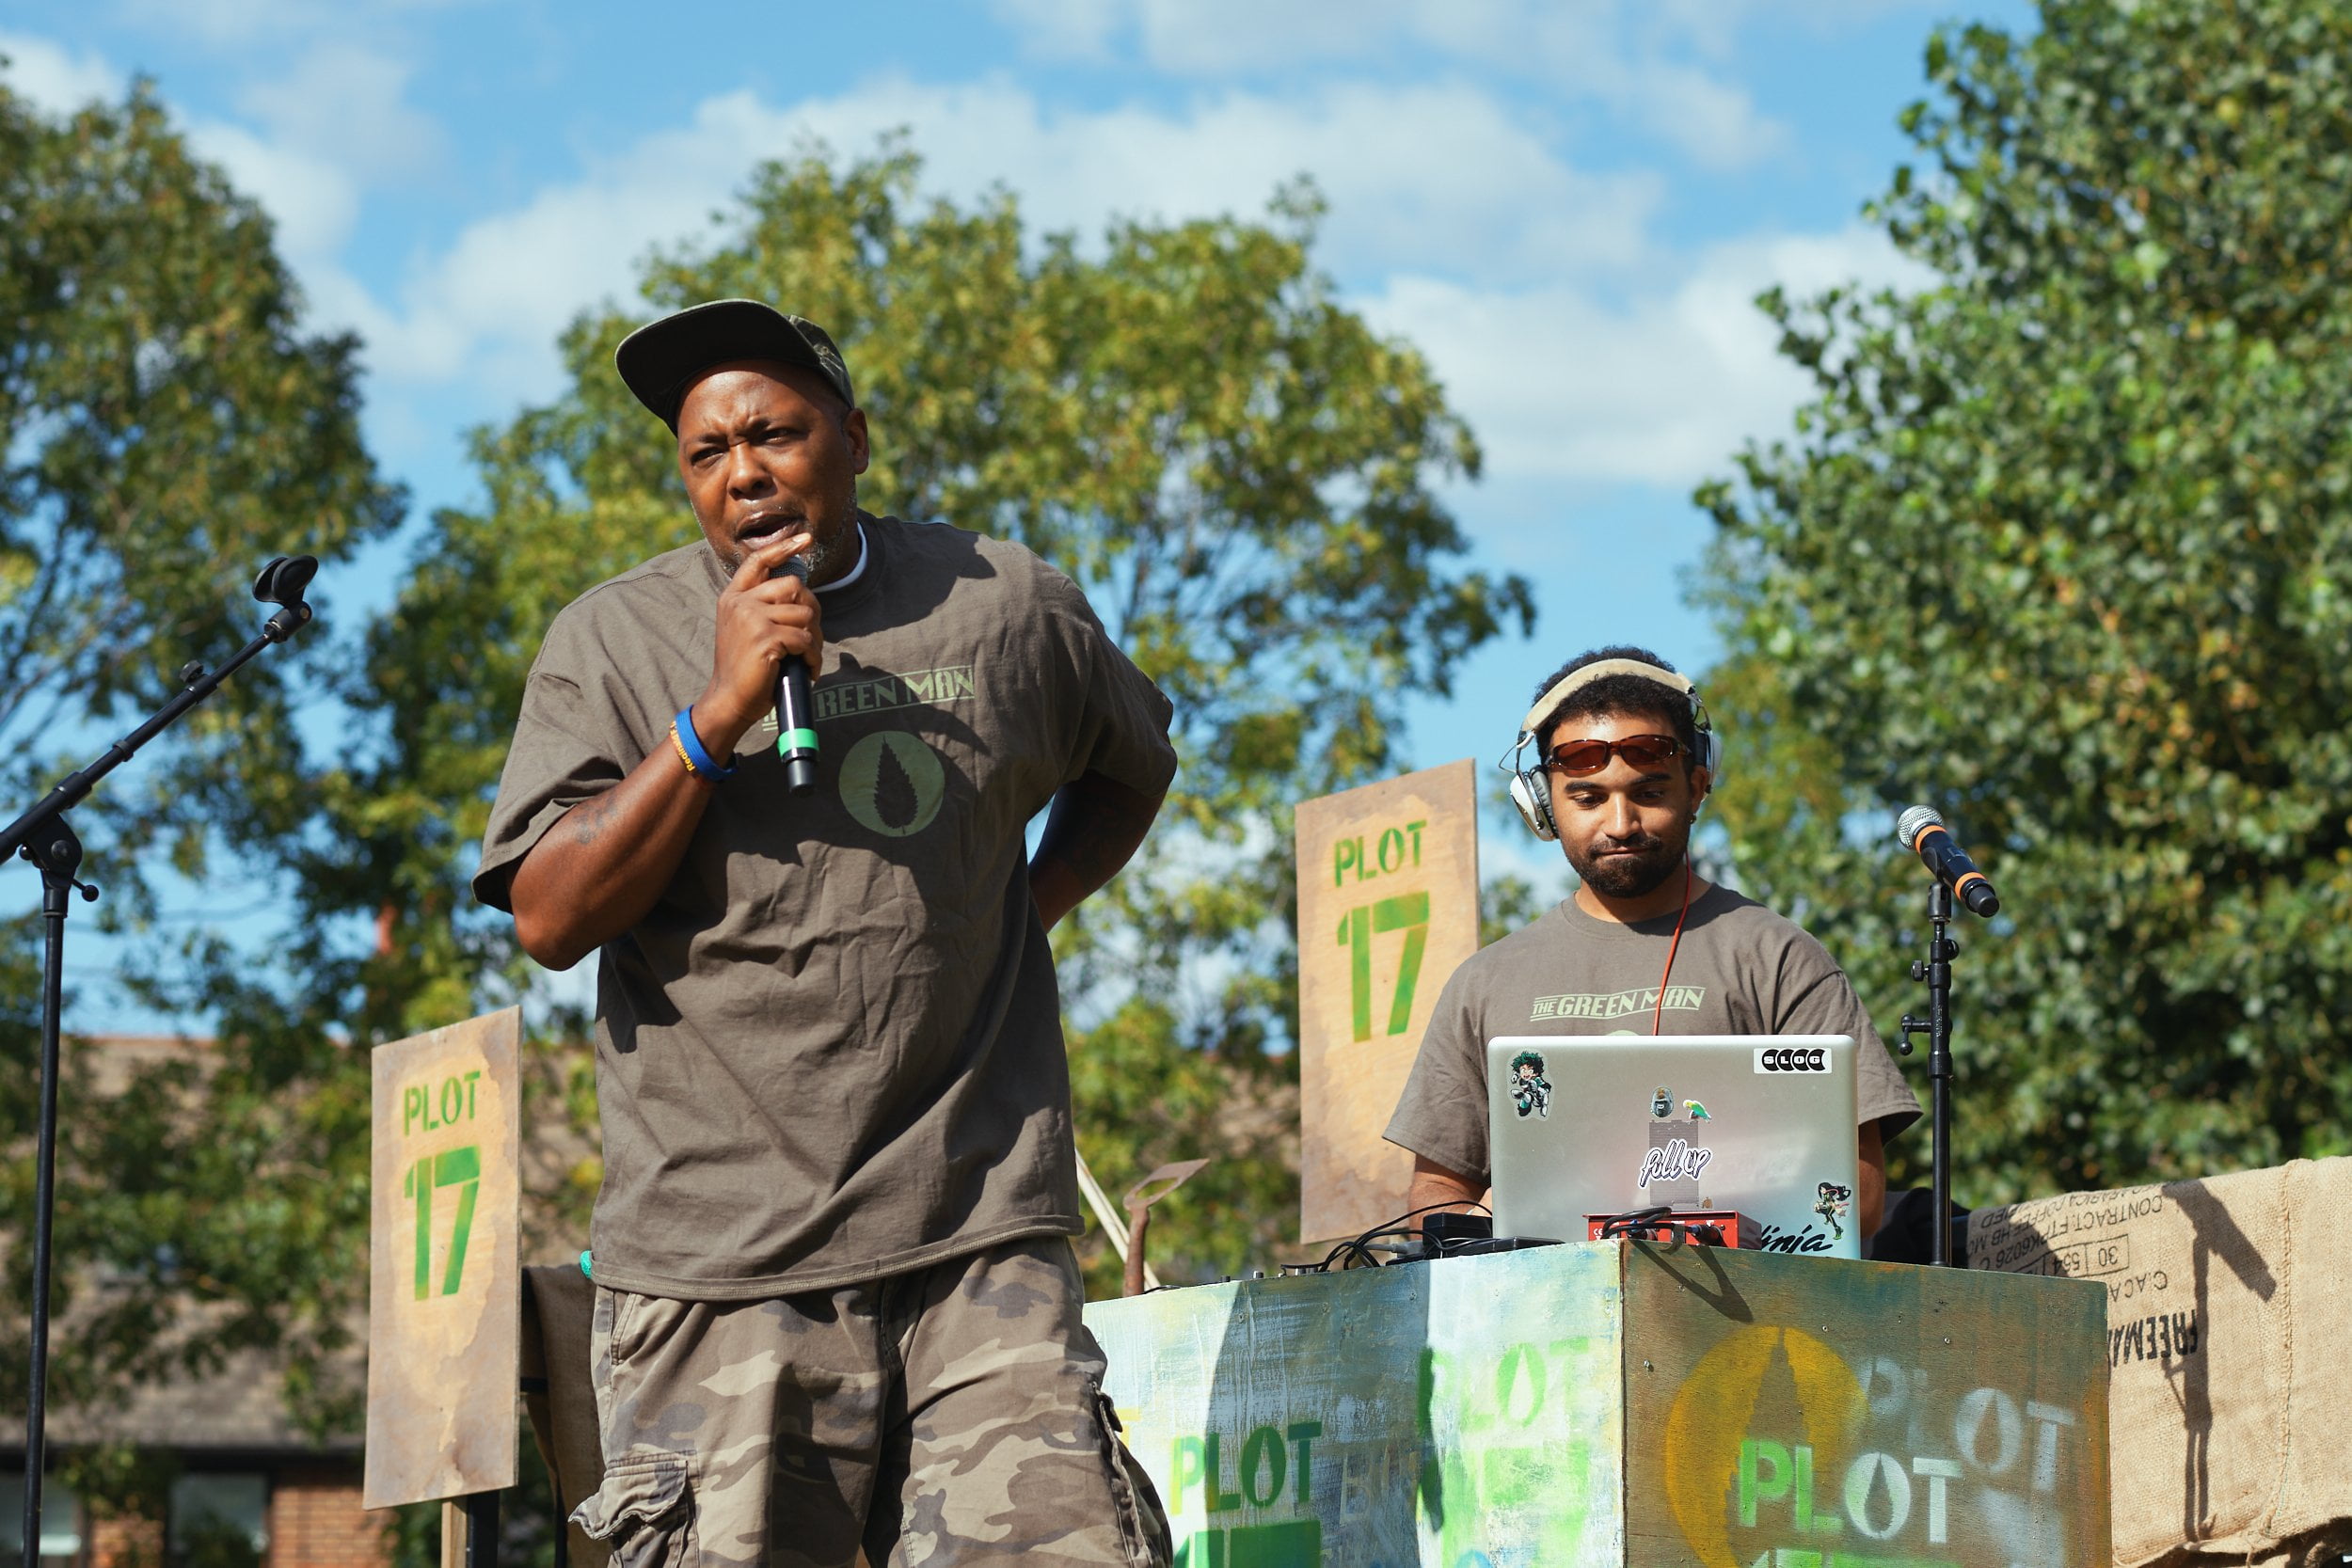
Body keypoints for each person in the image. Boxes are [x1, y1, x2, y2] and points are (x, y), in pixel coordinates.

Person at [473, 299, 1177, 1568]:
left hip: (977, 1232)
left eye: (776, 432)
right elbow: (549, 913)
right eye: (706, 451)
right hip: (719, 1263)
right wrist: (713, 715)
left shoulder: (1007, 602)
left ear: (851, 436)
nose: (744, 471)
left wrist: (1033, 897)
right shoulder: (612, 640)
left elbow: (1135, 760)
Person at [1383, 645, 1918, 1240]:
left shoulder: (1778, 959)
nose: (1619, 823)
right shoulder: (1483, 984)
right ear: (1543, 808)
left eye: (1649, 792)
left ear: (1697, 786)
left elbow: (1861, 1201)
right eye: (1587, 798)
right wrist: (1487, 1217)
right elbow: (1435, 1195)